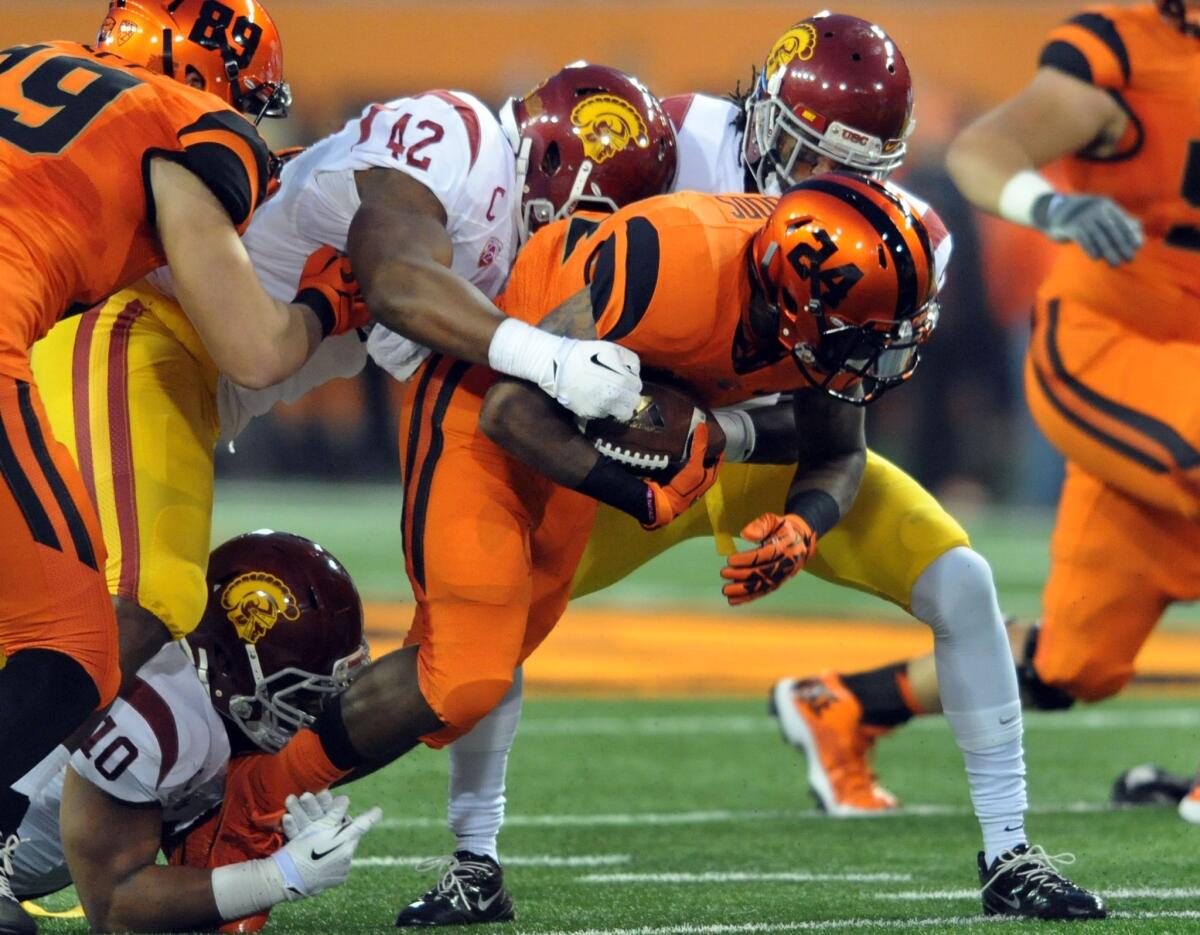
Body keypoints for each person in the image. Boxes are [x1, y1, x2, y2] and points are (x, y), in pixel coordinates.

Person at [398, 13, 1098, 926]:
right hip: (616, 434)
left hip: (748, 439)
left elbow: (835, 427)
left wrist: (789, 501)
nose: (830, 189)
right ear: (768, 120)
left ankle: (1011, 851)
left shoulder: (886, 231)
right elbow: (541, 322)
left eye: (857, 173)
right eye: (813, 160)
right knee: (493, 622)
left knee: (961, 580)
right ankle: (471, 859)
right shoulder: (665, 146)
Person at [0, 3, 367, 928]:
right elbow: (252, 349)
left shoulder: (19, 58)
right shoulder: (192, 125)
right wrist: (331, 298)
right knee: (71, 648)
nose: (256, 116)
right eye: (248, 95)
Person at [855, 0, 1200, 831]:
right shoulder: (1128, 52)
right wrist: (1055, 208)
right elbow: (985, 147)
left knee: (1074, 661)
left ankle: (844, 704)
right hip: (1107, 348)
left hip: (1183, 377)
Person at [3, 531, 379, 934]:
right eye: (301, 695)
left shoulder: (205, 706)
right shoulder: (157, 711)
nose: (312, 715)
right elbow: (114, 908)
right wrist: (277, 876)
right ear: (224, 661)